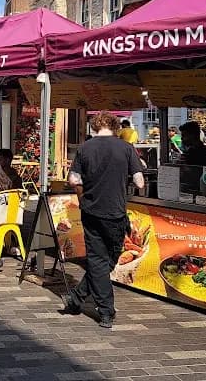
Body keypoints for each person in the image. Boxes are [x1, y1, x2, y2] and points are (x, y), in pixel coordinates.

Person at [64, 111, 145, 328]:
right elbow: (140, 183)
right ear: (116, 126)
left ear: (94, 126)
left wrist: (84, 194)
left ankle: (77, 298)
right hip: (115, 212)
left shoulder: (85, 148)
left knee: (98, 260)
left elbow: (73, 179)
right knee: (107, 259)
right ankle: (106, 311)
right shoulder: (126, 148)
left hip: (90, 211)